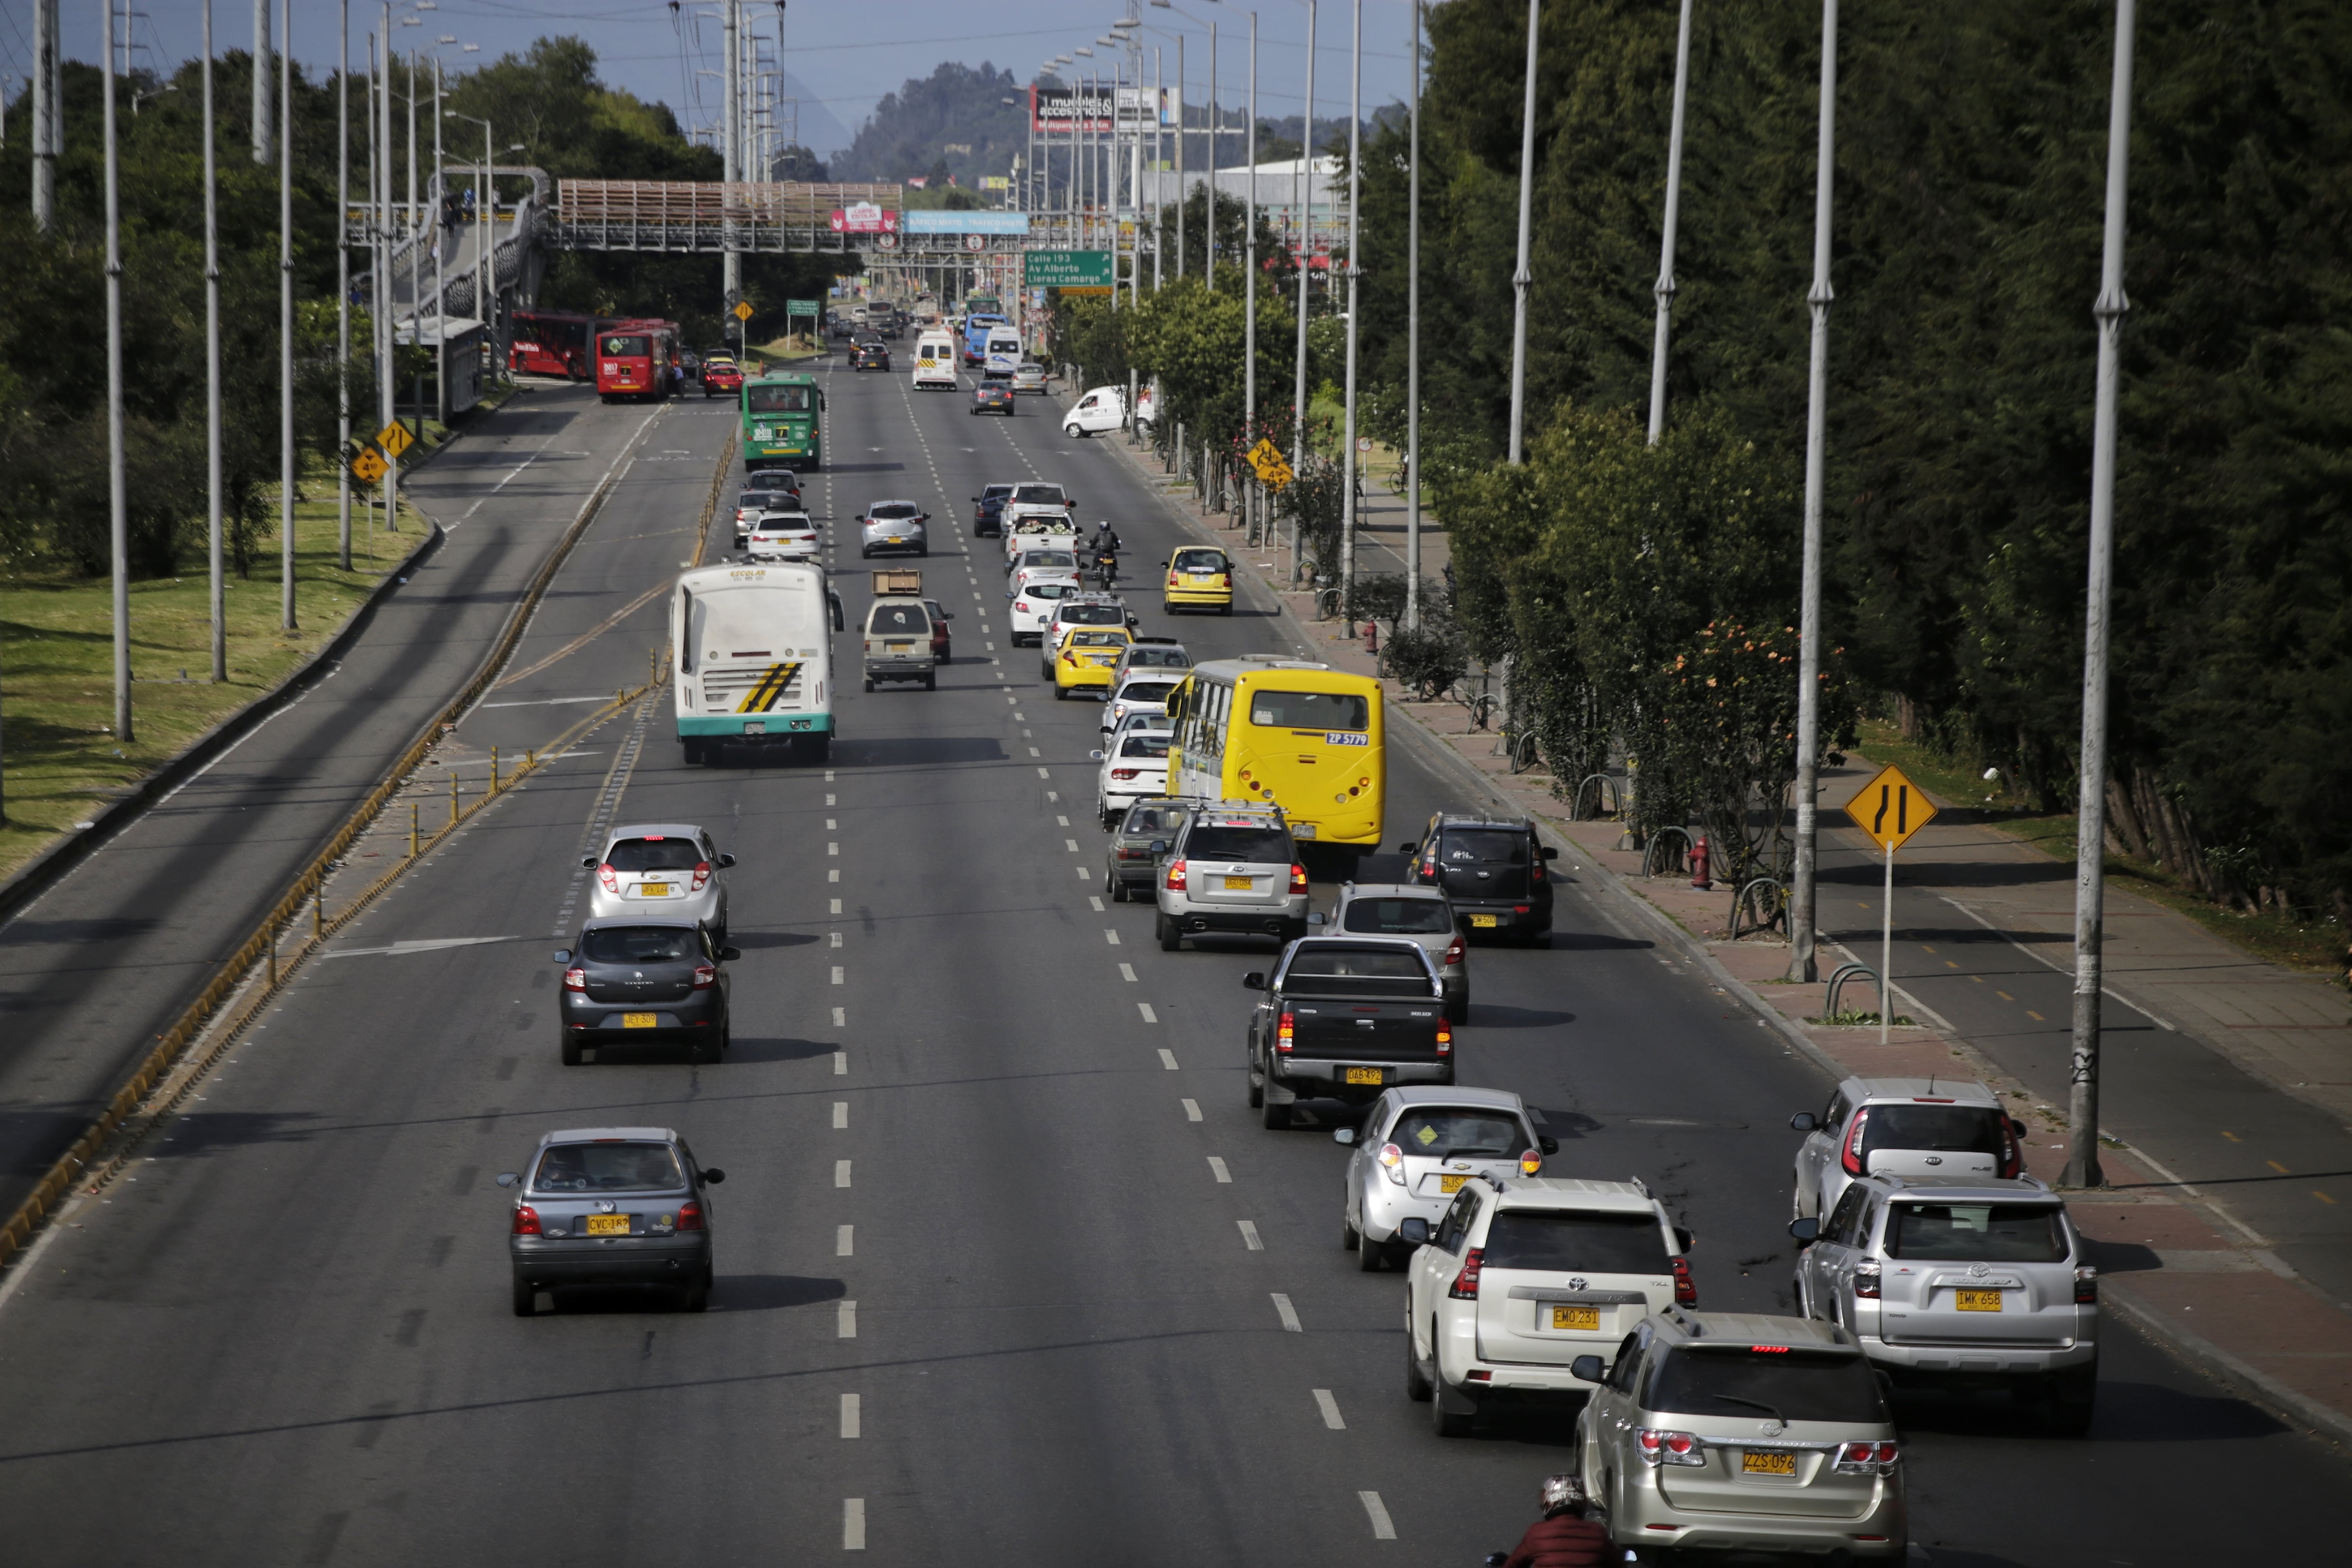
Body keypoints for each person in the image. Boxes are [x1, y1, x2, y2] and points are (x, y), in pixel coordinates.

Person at [1499, 1474, 1609, 1568]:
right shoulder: (1597, 1532)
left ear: (1548, 1503)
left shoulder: (1537, 1533)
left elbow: (1514, 1564)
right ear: (1582, 1502)